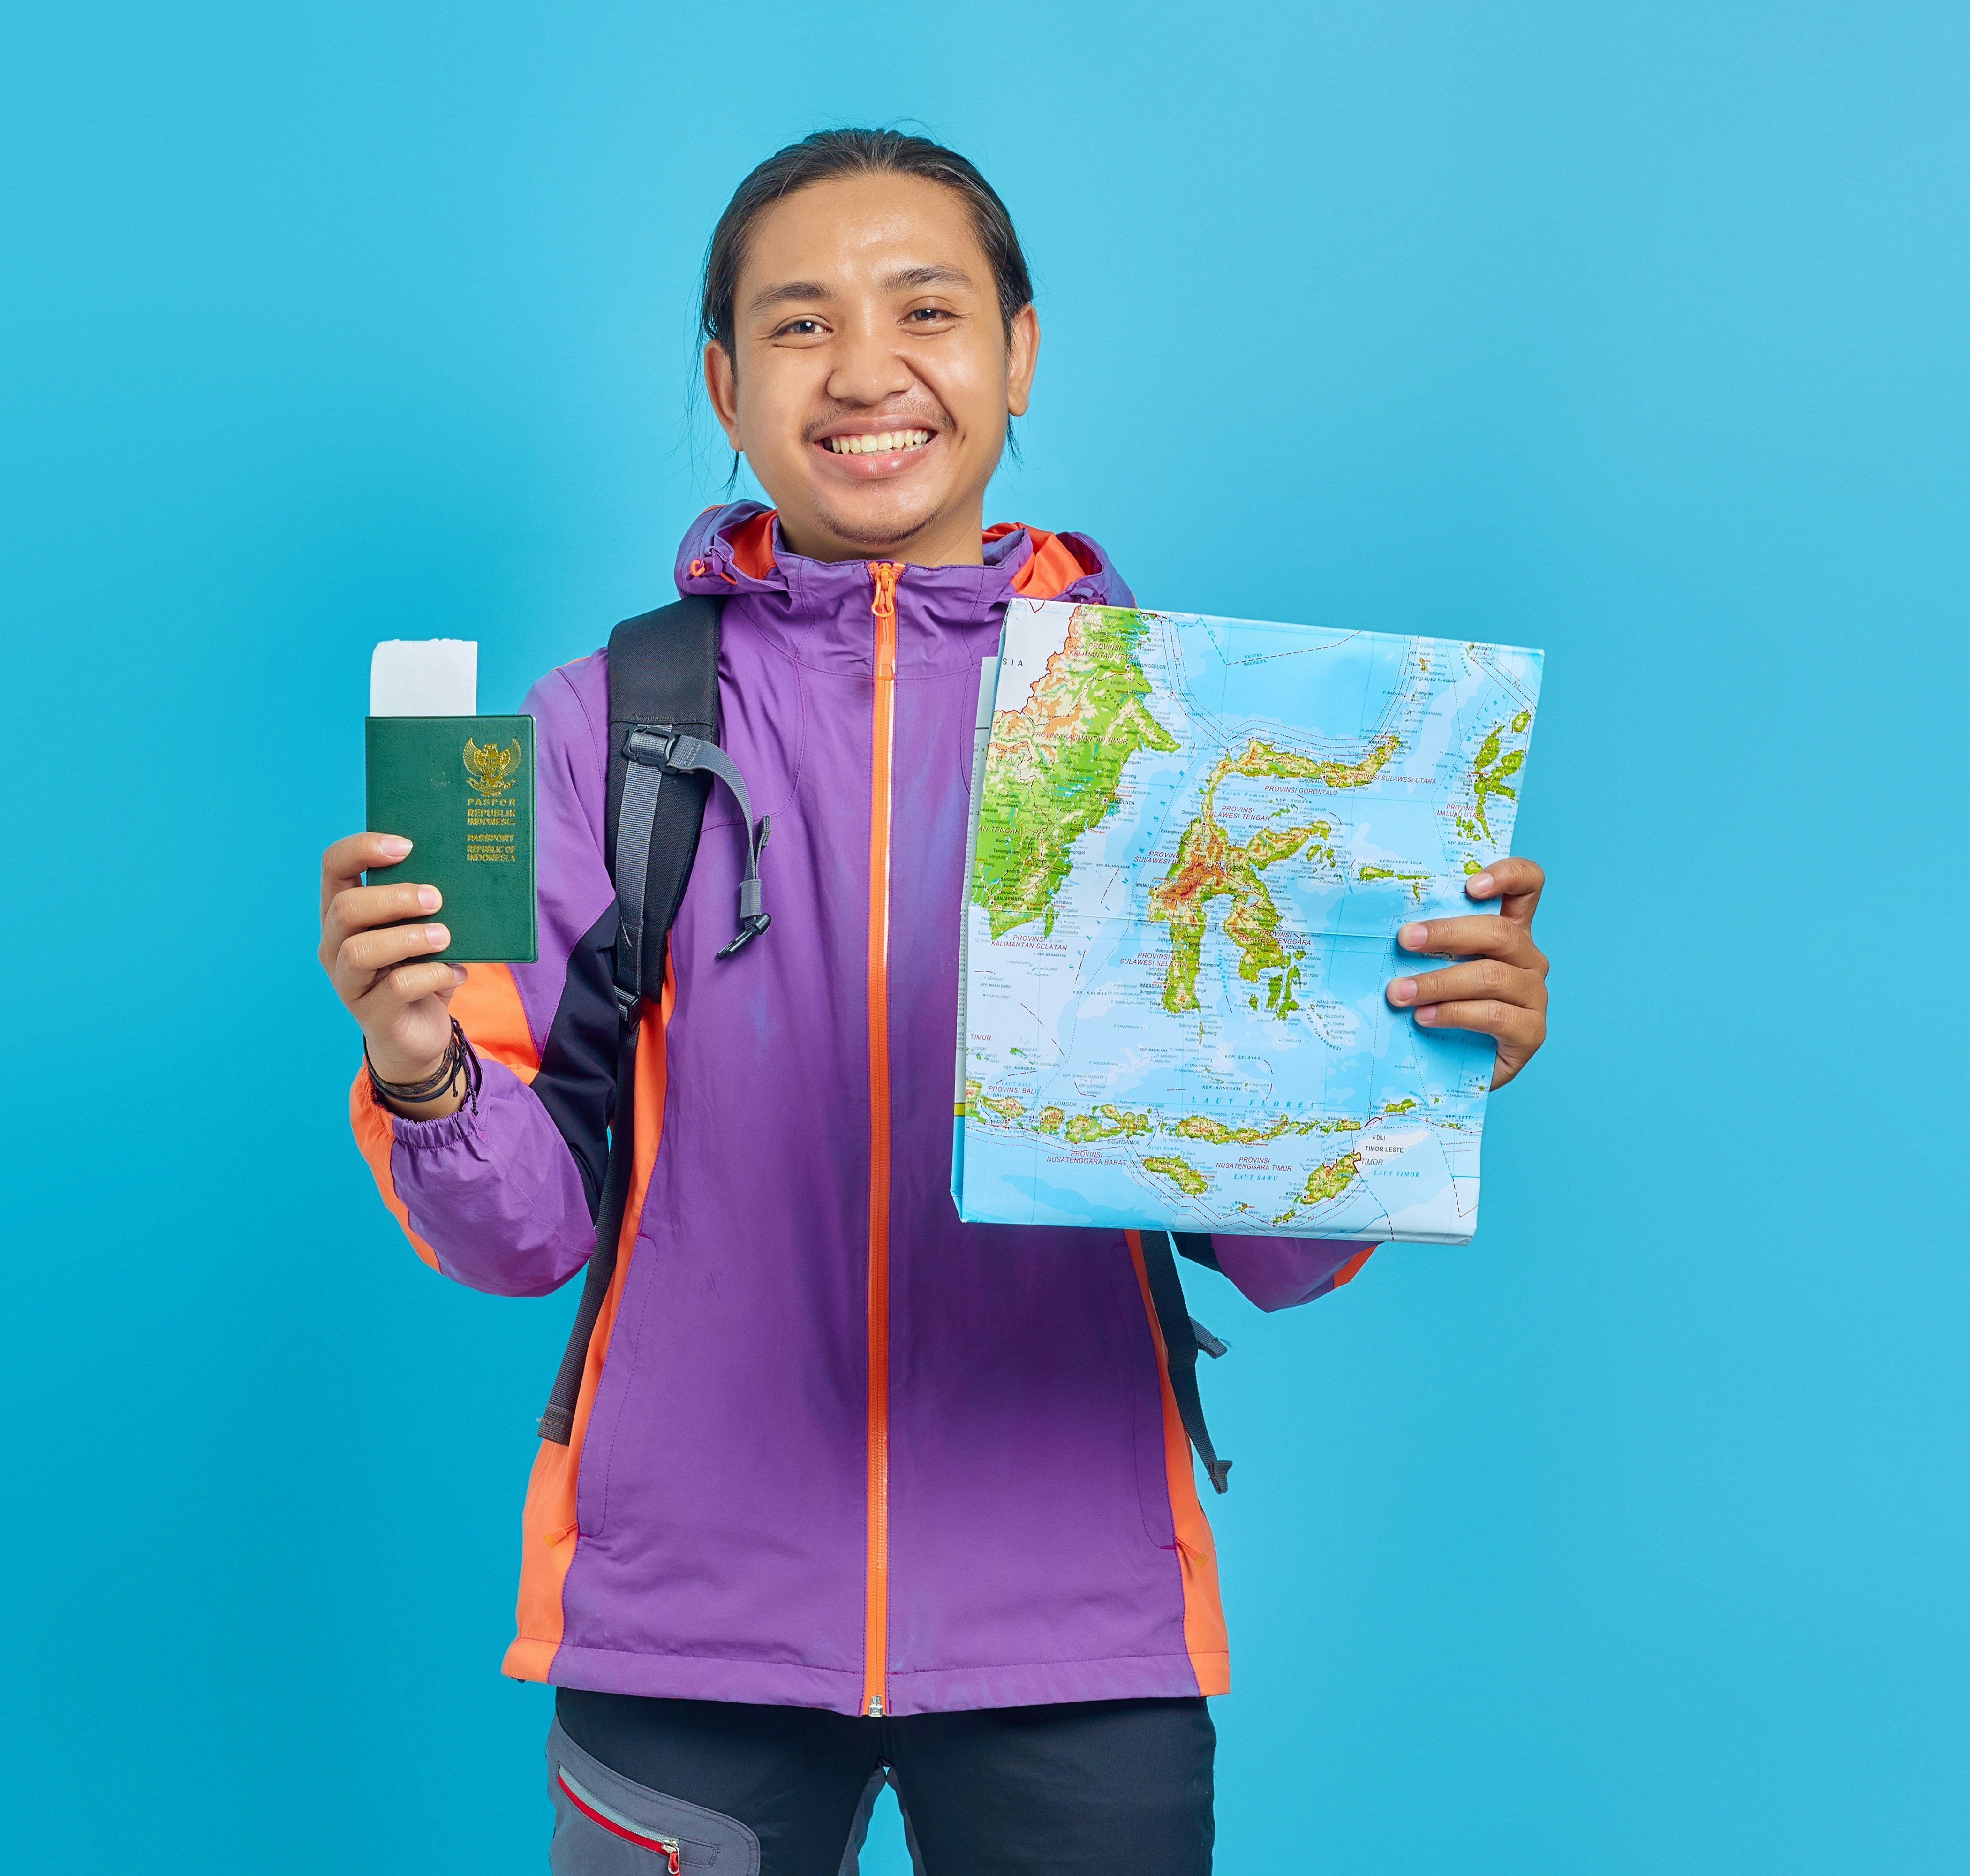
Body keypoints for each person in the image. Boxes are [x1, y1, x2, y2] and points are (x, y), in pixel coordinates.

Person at [316, 130, 1553, 1876]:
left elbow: (1276, 1256)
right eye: (800, 323)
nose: (866, 370)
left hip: (1076, 1625)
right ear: (725, 384)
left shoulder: (1201, 734)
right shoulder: (593, 729)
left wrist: (1423, 1060)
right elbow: (518, 1239)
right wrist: (422, 1066)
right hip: (690, 1628)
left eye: (926, 310)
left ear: (1017, 352)